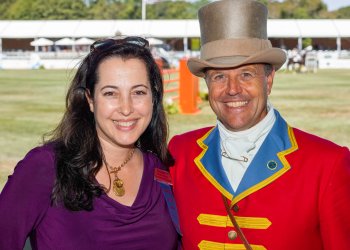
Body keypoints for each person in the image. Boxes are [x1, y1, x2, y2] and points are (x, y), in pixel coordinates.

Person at [168, 0, 350, 249]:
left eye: (246, 74)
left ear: (269, 79)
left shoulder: (326, 163)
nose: (232, 90)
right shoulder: (180, 153)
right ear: (207, 84)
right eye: (219, 76)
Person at [0, 36, 181, 249]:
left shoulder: (162, 172)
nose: (126, 108)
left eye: (138, 92)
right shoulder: (46, 166)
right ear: (90, 100)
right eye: (110, 93)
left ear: (153, 98)